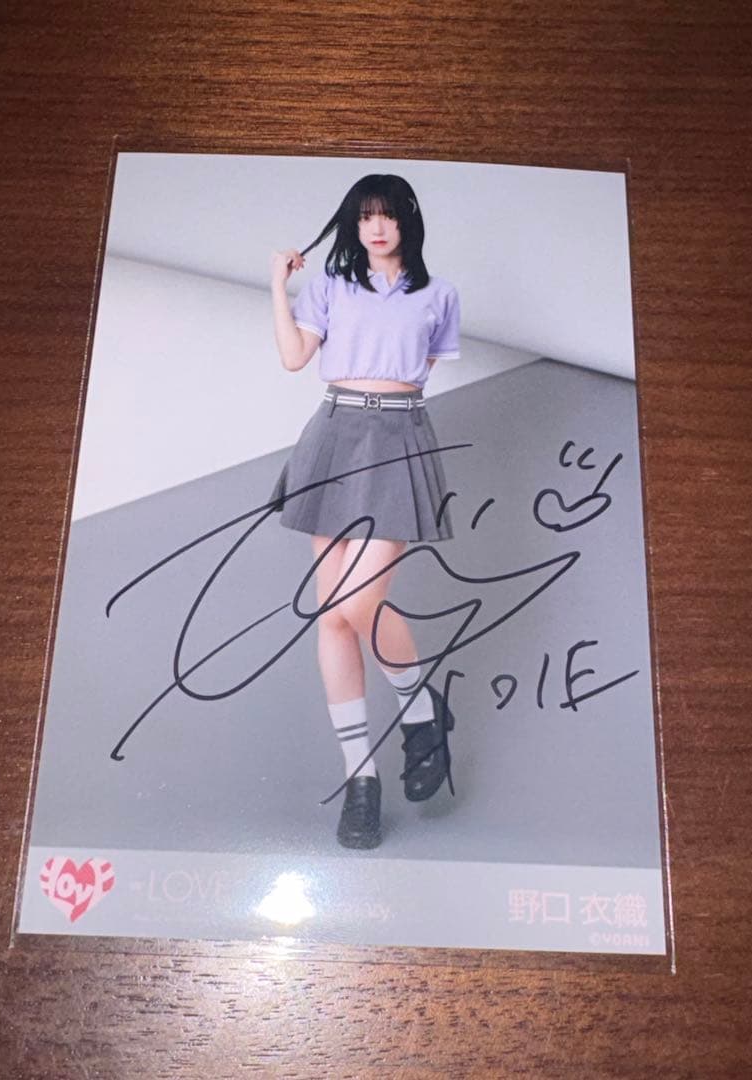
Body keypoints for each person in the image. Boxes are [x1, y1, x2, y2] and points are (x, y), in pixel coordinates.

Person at [269, 174, 460, 851]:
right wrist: (278, 287)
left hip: (400, 434)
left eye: (388, 216)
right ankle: (361, 779)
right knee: (332, 615)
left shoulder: (439, 295)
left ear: (407, 221)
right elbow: (295, 358)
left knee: (358, 602)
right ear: (353, 225)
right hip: (334, 435)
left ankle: (420, 707)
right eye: (365, 217)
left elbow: (420, 370)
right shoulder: (328, 286)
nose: (376, 228)